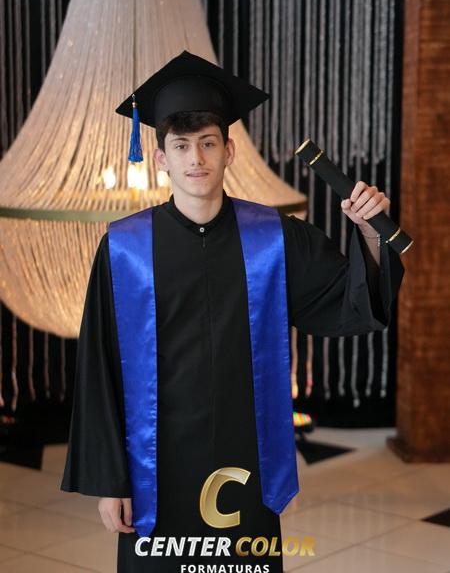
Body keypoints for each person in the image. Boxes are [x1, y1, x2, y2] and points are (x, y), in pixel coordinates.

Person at [60, 51, 405, 573]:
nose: (195, 158)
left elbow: (347, 302)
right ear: (161, 158)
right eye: (181, 145)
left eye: (208, 143)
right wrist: (111, 481)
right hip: (157, 462)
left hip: (247, 456)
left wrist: (369, 233)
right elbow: (98, 368)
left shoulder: (273, 238)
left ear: (229, 151)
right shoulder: (125, 248)